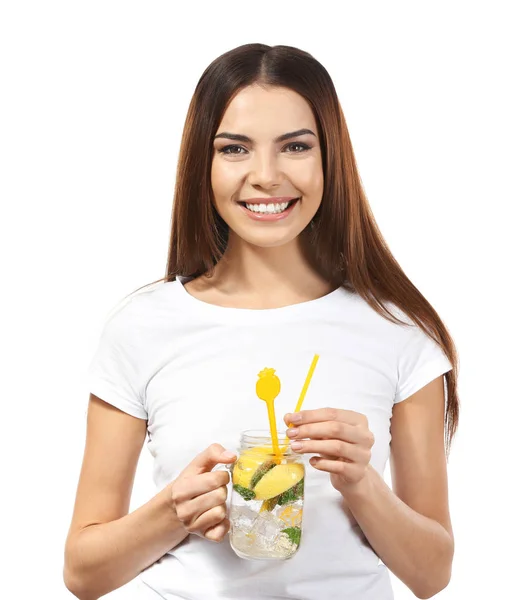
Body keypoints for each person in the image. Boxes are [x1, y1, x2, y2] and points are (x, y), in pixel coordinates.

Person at [63, 43, 459, 600]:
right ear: (204, 162)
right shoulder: (142, 327)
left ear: (330, 159)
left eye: (295, 146)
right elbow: (83, 573)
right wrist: (172, 511)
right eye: (235, 149)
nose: (266, 176)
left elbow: (431, 574)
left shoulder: (398, 331)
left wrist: (361, 482)